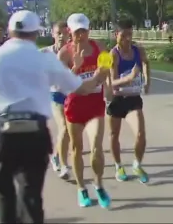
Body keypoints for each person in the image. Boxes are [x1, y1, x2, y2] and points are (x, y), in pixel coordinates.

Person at [0, 10, 109, 223]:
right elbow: (79, 88)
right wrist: (96, 79)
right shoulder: (45, 59)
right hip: (34, 132)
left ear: (10, 31)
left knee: (3, 194)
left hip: (2, 132)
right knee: (30, 194)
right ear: (37, 33)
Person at [57, 13, 112, 208]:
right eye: (77, 32)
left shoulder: (101, 48)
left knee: (96, 146)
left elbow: (105, 70)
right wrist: (75, 69)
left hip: (95, 105)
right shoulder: (64, 54)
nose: (81, 35)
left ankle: (98, 184)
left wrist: (96, 79)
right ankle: (81, 188)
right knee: (77, 149)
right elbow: (62, 85)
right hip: (74, 107)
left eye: (84, 31)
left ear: (89, 30)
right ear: (70, 32)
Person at [107, 20, 151, 183]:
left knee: (141, 133)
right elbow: (111, 82)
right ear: (115, 35)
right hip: (117, 100)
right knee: (114, 135)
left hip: (133, 98)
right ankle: (118, 166)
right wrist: (129, 78)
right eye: (123, 35)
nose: (127, 39)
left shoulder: (138, 50)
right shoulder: (112, 54)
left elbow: (146, 63)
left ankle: (137, 164)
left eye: (130, 35)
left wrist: (147, 81)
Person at [40, 21, 72, 179]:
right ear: (52, 34)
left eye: (64, 33)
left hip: (72, 96)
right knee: (64, 128)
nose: (61, 36)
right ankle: (64, 165)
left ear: (69, 33)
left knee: (72, 132)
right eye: (58, 33)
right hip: (55, 95)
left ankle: (56, 155)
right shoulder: (44, 53)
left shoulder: (72, 51)